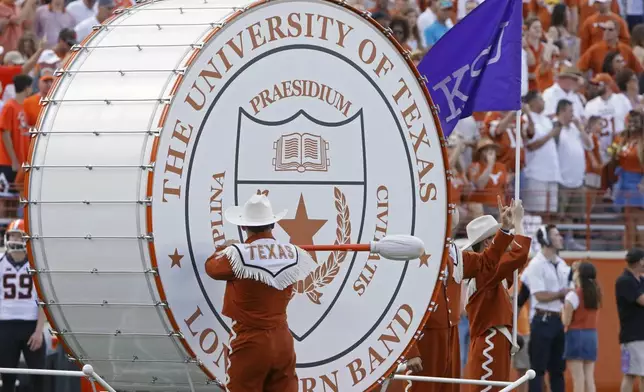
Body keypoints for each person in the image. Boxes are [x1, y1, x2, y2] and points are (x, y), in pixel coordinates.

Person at [202, 194, 322, 391]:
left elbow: (212, 268)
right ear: (272, 225)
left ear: (243, 226)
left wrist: (225, 249)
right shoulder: (293, 253)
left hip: (250, 341)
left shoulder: (236, 255)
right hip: (283, 338)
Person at [411, 197, 515, 392]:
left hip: (451, 333)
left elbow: (486, 262)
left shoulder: (456, 254)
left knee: (448, 388)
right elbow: (407, 301)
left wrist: (505, 230)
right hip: (427, 334)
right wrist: (411, 352)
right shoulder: (420, 252)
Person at [464, 200, 532, 392]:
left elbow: (518, 261)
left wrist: (512, 226)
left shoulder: (488, 272)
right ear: (488, 242)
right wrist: (518, 221)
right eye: (499, 237)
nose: (508, 239)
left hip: (494, 341)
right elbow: (519, 254)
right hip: (490, 342)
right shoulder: (484, 271)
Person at [522, 224, 570, 392]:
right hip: (542, 319)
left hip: (558, 319)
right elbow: (539, 295)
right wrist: (561, 293)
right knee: (537, 369)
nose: (560, 238)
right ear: (546, 239)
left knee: (558, 369)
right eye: (556, 235)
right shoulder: (536, 264)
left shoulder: (562, 264)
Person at [0, 218, 46, 392]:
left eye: (19, 236)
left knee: (39, 376)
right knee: (7, 378)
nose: (15, 240)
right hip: (5, 325)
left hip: (30, 325)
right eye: (12, 235)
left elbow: (43, 300)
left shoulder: (36, 265)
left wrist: (38, 330)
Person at [562, 261, 601, 392]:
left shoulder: (573, 295)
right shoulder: (596, 294)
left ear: (579, 275)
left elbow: (566, 321)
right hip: (591, 335)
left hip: (575, 335)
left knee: (578, 378)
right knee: (589, 377)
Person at [615, 248, 644, 392]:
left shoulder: (641, 280)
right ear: (640, 261)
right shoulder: (625, 281)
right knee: (631, 374)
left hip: (641, 334)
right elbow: (641, 300)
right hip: (633, 335)